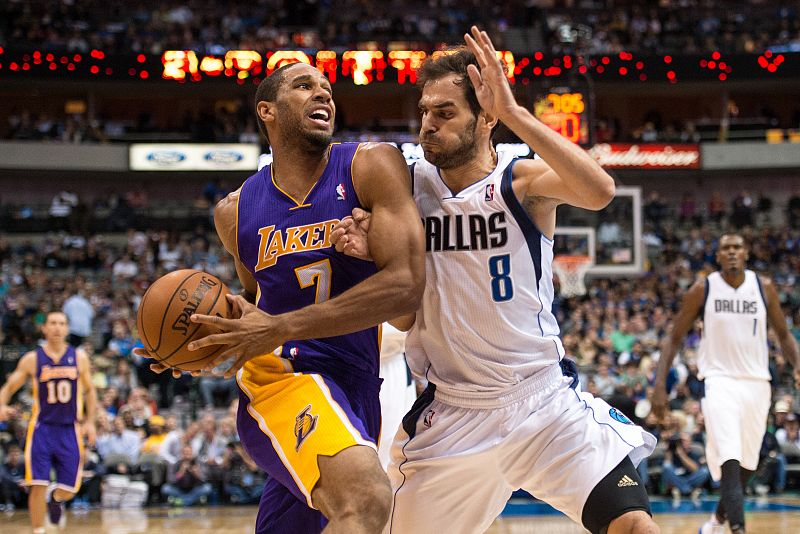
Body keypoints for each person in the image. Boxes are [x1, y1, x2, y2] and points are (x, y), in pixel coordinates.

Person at [332, 27, 657, 534]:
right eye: (424, 112)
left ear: (485, 118)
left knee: (634, 526)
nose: (427, 126)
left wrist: (515, 114)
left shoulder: (519, 178)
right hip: (453, 414)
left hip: (543, 402)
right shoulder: (408, 186)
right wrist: (375, 256)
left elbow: (600, 190)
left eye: (445, 113)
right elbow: (404, 315)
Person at [136, 61, 425, 533]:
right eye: (305, 85)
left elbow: (407, 287)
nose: (324, 94)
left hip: (357, 384)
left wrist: (279, 323)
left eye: (328, 88)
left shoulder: (371, 165)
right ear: (266, 110)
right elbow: (254, 309)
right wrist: (196, 341)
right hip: (284, 378)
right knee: (367, 500)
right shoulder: (235, 211)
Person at [653, 233, 800, 534]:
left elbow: (784, 335)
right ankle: (738, 528)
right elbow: (674, 337)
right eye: (726, 248)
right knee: (730, 459)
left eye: (737, 247)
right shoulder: (703, 289)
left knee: (748, 464)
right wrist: (658, 386)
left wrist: (798, 365)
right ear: (718, 256)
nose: (732, 252)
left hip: (758, 383)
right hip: (719, 381)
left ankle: (717, 521)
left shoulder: (764, 287)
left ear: (746, 253)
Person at [0, 311, 98, 533]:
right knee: (37, 483)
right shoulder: (32, 359)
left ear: (66, 329)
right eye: (52, 323)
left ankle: (55, 498)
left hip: (70, 429)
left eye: (61, 323)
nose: (56, 327)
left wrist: (90, 421)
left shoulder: (79, 357)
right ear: (44, 329)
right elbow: (8, 387)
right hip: (42, 428)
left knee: (70, 488)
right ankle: (39, 530)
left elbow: (90, 390)